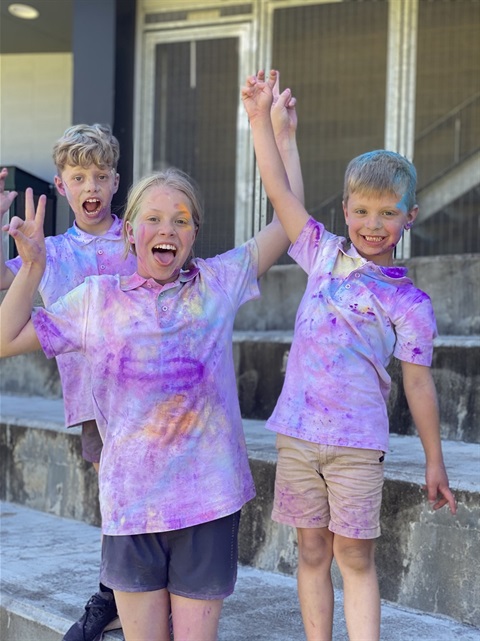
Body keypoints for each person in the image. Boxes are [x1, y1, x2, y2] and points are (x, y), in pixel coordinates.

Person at [0, 76, 303, 641]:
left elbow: (289, 226)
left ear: (194, 235)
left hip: (208, 500)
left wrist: (273, 133)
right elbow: (3, 337)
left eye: (181, 220)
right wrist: (34, 267)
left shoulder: (215, 284)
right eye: (155, 219)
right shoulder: (95, 302)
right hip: (132, 505)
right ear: (131, 233)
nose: (167, 228)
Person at [241, 70, 457, 641]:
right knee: (310, 548)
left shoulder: (410, 303)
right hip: (297, 435)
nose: (373, 224)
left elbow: (417, 386)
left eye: (388, 213)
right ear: (344, 210)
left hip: (358, 445)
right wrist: (265, 125)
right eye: (362, 211)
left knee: (354, 556)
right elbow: (281, 194)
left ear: (409, 217)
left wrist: (435, 460)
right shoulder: (321, 255)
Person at [0, 123, 137, 641]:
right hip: (90, 400)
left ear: (116, 181)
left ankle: (126, 590)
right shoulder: (50, 250)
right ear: (62, 185)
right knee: (114, 495)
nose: (92, 187)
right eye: (79, 177)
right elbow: (2, 279)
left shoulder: (135, 235)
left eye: (101, 176)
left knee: (140, 495)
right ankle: (115, 590)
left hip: (146, 393)